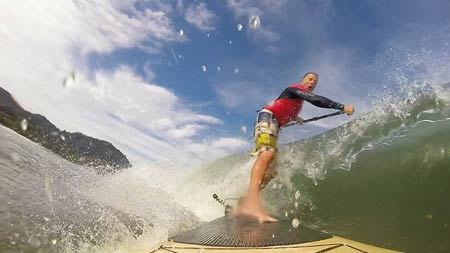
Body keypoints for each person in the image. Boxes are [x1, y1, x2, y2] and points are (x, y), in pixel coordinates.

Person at [234, 72, 355, 222]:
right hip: (267, 117)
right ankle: (252, 205)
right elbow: (315, 99)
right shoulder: (293, 89)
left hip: (274, 124)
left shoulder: (297, 104)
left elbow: (284, 106)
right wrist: (341, 107)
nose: (312, 83)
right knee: (266, 154)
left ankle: (245, 200)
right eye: (310, 79)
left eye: (315, 82)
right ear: (302, 80)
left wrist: (294, 117)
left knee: (272, 171)